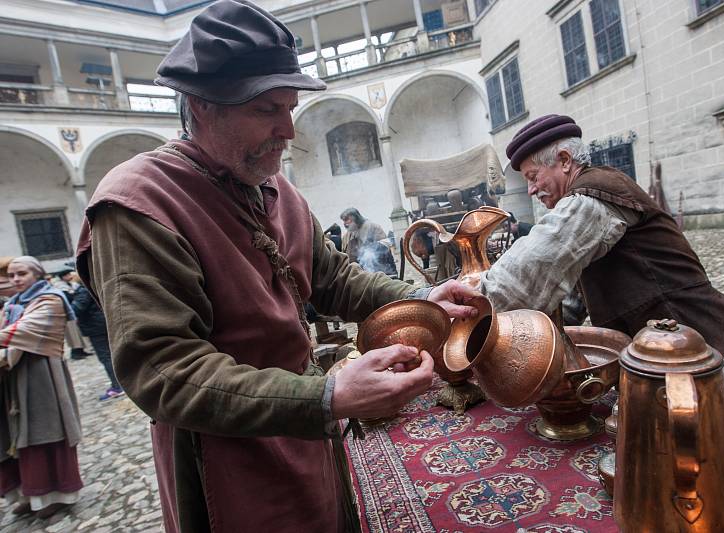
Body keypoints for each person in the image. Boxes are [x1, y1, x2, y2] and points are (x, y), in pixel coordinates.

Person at [75, 2, 477, 532]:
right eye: (266, 110)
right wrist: (328, 395)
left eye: (290, 107)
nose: (288, 129)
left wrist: (420, 300)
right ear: (201, 107)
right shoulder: (139, 205)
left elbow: (334, 279)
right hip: (223, 454)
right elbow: (164, 371)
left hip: (305, 427)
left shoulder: (273, 186)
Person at [481, 114, 724, 354]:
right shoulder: (589, 198)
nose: (531, 189)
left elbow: (533, 266)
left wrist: (474, 307)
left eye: (533, 177)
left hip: (706, 343)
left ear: (565, 160)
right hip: (666, 348)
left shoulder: (592, 197)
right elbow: (571, 294)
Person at [0, 256, 83, 519]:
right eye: (12, 275)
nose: (15, 280)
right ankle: (30, 493)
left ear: (36, 274)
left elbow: (21, 331)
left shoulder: (51, 299)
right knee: (16, 435)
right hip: (13, 376)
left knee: (44, 432)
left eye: (21, 274)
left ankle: (56, 494)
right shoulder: (14, 303)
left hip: (42, 376)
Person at [70, 279, 123, 401]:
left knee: (106, 357)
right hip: (101, 323)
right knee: (111, 354)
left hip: (96, 327)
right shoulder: (94, 284)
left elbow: (77, 309)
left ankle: (118, 386)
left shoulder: (83, 291)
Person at [340, 207, 398, 276]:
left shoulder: (374, 227)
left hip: (381, 271)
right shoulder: (347, 236)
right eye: (343, 221)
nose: (345, 223)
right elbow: (345, 254)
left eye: (347, 220)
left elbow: (385, 246)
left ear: (356, 217)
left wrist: (370, 252)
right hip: (359, 274)